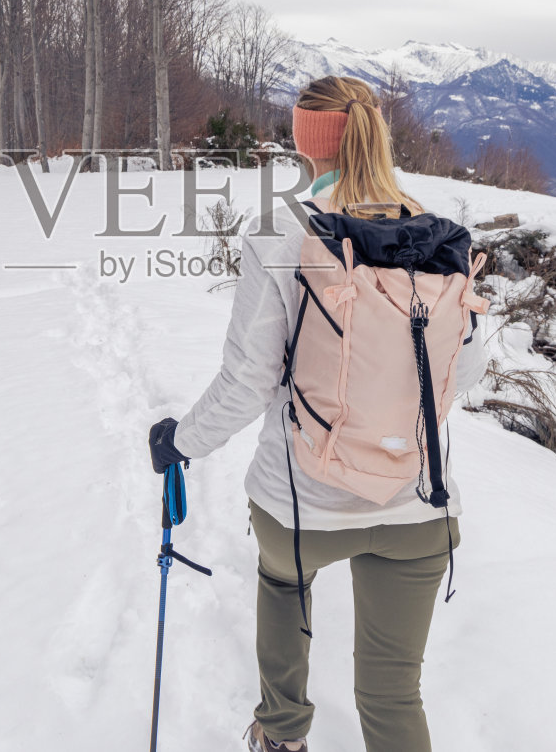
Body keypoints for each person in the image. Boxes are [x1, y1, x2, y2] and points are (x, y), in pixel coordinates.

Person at [147, 75, 491, 752]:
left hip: (306, 505)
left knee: (283, 579)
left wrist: (180, 441)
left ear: (307, 142)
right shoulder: (441, 235)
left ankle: (280, 733)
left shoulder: (285, 230)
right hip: (418, 506)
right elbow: (466, 371)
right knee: (394, 692)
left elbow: (248, 379)